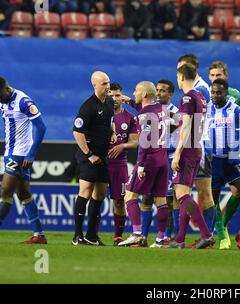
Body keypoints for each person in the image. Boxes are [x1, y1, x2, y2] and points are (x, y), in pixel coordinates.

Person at [0, 76, 47, 244]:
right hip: (10, 152)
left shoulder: (23, 101)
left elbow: (41, 127)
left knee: (6, 191)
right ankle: (39, 235)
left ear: (6, 89)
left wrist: (31, 154)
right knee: (24, 193)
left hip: (20, 154)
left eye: (0, 96)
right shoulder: (2, 101)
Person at [165, 63, 214, 249]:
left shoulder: (187, 97)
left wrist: (177, 153)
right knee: (183, 194)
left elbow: (186, 125)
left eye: (178, 77)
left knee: (182, 195)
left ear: (181, 77)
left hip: (187, 149)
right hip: (197, 148)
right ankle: (180, 239)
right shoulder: (200, 97)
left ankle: (206, 234)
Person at [117, 81, 170, 248]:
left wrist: (140, 165)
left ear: (145, 94)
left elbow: (145, 142)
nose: (133, 93)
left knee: (130, 195)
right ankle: (161, 239)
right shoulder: (161, 109)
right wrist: (129, 102)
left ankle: (137, 234)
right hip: (163, 158)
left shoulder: (143, 116)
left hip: (149, 160)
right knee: (161, 200)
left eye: (136, 91)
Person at [207, 79, 240, 250]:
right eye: (213, 92)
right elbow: (200, 134)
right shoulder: (206, 110)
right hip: (215, 159)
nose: (214, 96)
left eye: (218, 92)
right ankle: (221, 234)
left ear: (226, 93)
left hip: (233, 157)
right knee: (214, 198)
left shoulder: (237, 111)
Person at [72, 71, 115, 246]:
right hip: (88, 156)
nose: (108, 86)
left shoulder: (110, 102)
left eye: (108, 82)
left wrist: (112, 133)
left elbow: (110, 122)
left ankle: (91, 235)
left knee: (100, 194)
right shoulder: (88, 106)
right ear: (94, 86)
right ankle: (77, 235)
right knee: (86, 190)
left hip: (103, 155)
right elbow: (77, 132)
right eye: (104, 84)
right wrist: (89, 155)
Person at [139, 79, 179, 245]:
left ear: (170, 94)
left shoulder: (175, 113)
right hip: (153, 158)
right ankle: (143, 236)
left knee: (169, 199)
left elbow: (178, 135)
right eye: (157, 90)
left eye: (163, 90)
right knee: (147, 197)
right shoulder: (152, 110)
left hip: (169, 158)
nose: (159, 93)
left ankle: (170, 236)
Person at [107, 82, 138, 245]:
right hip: (100, 163)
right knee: (95, 199)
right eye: (111, 95)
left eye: (117, 95)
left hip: (119, 165)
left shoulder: (129, 118)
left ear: (122, 96)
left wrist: (122, 145)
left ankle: (118, 236)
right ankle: (91, 235)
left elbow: (135, 142)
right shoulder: (98, 113)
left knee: (119, 201)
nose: (114, 98)